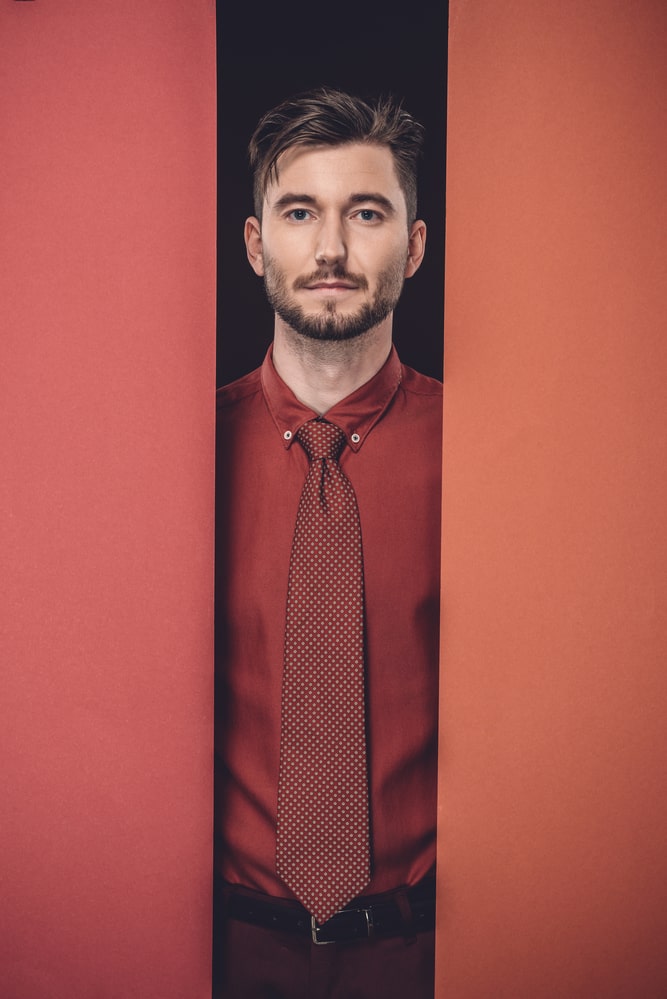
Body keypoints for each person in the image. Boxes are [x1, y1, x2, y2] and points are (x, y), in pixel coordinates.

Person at [214, 87, 442, 998]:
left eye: (368, 213)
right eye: (300, 212)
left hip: (433, 954)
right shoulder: (175, 458)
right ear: (256, 243)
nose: (334, 249)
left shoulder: (493, 457)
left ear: (414, 246)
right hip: (222, 952)